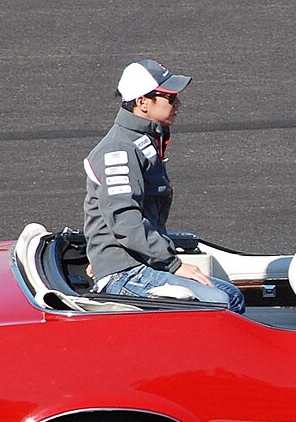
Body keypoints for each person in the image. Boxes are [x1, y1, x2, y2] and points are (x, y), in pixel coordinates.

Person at [82, 59, 244, 313]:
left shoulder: (143, 139)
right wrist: (173, 264)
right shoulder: (118, 150)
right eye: (169, 97)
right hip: (125, 273)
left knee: (231, 296)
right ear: (142, 103)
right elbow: (124, 221)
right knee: (219, 305)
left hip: (139, 263)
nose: (178, 103)